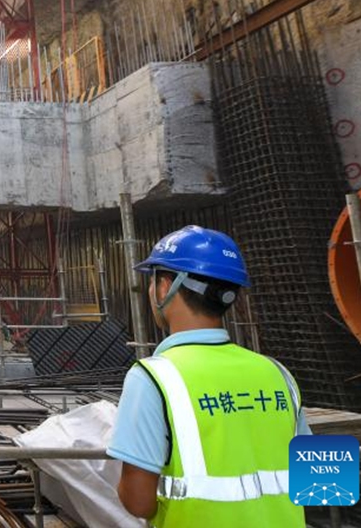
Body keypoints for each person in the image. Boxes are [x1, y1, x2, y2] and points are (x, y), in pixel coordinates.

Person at [107, 225, 309, 527]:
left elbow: (138, 501)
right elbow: (322, 483)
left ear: (164, 287)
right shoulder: (278, 373)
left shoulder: (152, 377)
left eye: (152, 282)